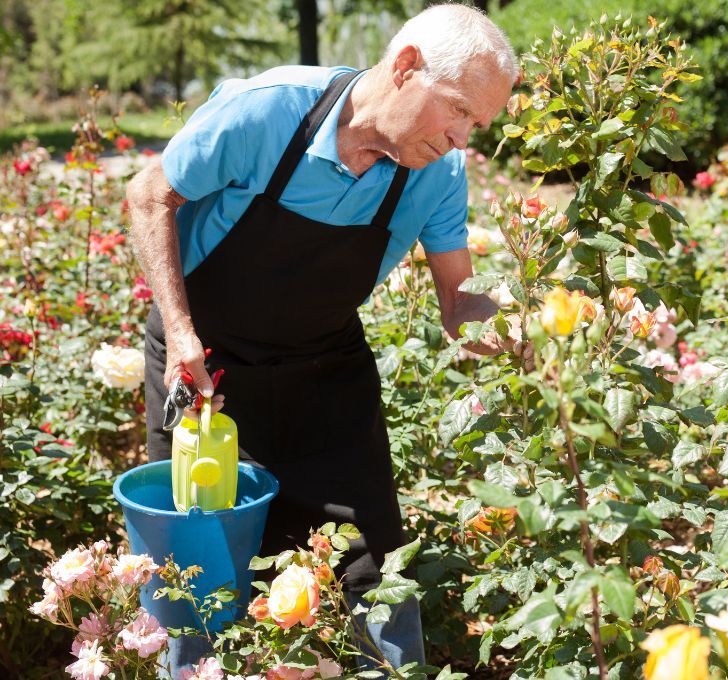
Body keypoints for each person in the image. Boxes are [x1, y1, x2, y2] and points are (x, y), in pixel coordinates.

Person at [125, 3, 521, 670]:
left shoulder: (439, 173)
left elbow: (458, 300)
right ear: (405, 67)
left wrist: (516, 324)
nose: (461, 139)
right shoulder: (267, 111)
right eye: (457, 110)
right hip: (206, 373)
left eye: (476, 125)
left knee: (375, 567)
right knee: (198, 572)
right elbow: (148, 194)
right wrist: (183, 330)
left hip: (325, 375)